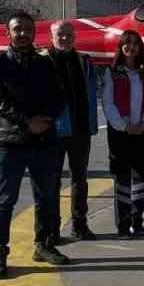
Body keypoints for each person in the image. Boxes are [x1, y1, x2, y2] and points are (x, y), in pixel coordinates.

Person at [0, 12, 68, 277]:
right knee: (5, 199)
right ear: (7, 33)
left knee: (47, 197)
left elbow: (60, 95)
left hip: (44, 140)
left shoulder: (47, 64)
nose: (22, 34)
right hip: (10, 143)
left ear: (34, 33)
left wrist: (47, 119)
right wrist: (26, 122)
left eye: (27, 29)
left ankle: (43, 244)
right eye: (17, 29)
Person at [101, 30, 144, 236]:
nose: (131, 47)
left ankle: (137, 220)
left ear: (140, 47)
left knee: (140, 177)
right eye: (126, 43)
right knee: (122, 178)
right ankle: (122, 222)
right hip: (121, 132)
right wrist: (123, 126)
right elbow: (108, 103)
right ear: (120, 47)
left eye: (135, 43)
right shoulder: (112, 73)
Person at [46, 20, 99, 243]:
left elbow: (92, 91)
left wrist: (91, 124)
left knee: (80, 180)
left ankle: (80, 224)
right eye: (60, 34)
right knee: (52, 182)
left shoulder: (84, 61)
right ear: (52, 37)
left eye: (69, 34)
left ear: (74, 36)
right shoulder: (42, 61)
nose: (65, 38)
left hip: (80, 130)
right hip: (53, 133)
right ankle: (52, 229)